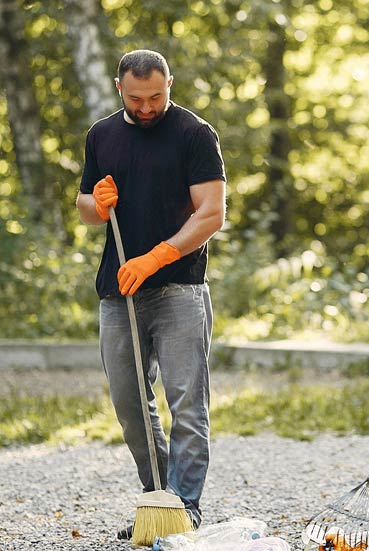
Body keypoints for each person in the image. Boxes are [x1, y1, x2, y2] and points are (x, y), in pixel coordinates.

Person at [76, 49, 226, 538]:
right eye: (136, 98)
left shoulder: (194, 134)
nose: (146, 107)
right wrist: (94, 205)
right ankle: (158, 501)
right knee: (130, 405)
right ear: (120, 88)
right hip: (117, 291)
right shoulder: (101, 134)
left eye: (156, 96)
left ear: (170, 85)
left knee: (187, 403)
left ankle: (186, 508)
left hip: (179, 287)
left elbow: (210, 213)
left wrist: (158, 256)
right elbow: (83, 204)